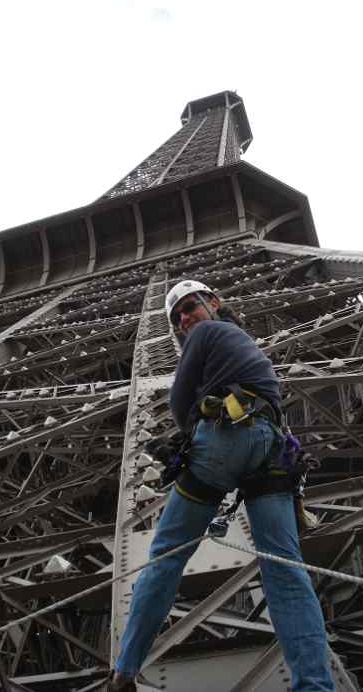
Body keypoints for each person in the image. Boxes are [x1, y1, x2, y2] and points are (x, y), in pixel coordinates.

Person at [108, 281, 334, 692]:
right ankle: (315, 685)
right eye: (177, 317)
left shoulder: (207, 333)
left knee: (166, 555)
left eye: (190, 306)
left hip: (222, 443)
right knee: (284, 568)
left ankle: (125, 670)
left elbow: (179, 400)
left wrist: (188, 432)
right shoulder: (243, 343)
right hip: (271, 449)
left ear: (214, 302)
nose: (184, 319)